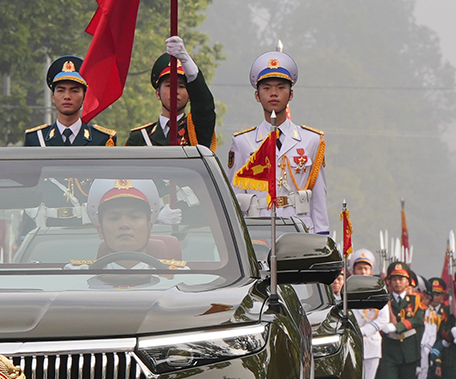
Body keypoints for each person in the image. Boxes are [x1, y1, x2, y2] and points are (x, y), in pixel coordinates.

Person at [226, 50, 328, 233]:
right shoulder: (243, 142)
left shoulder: (311, 140)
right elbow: (236, 195)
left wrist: (322, 237)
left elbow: (319, 197)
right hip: (259, 229)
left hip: (300, 229)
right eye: (266, 88)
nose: (274, 93)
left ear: (291, 94)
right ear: (257, 96)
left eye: (281, 87)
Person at [125, 37, 215, 148]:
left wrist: (187, 63)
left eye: (181, 86)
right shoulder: (140, 137)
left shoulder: (197, 128)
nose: (175, 91)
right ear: (158, 93)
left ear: (190, 95)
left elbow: (204, 106)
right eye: (169, 86)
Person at [375, 260, 426, 379]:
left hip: (409, 351)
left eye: (401, 279)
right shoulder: (383, 299)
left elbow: (418, 320)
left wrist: (398, 327)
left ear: (408, 281)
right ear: (388, 281)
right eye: (394, 279)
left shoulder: (416, 300)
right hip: (390, 351)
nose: (397, 282)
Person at [23, 55, 116, 146]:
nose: (67, 96)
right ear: (53, 97)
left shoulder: (102, 139)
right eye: (61, 90)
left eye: (74, 91)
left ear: (84, 96)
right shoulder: (36, 139)